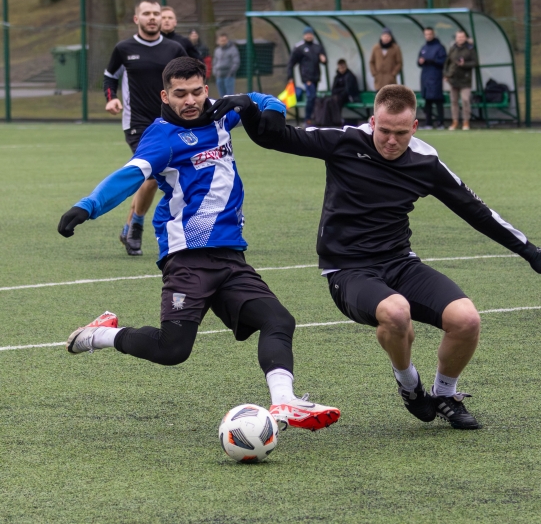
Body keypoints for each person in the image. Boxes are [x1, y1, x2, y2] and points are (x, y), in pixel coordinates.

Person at [206, 84, 541, 430]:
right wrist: (250, 109)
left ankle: (445, 396)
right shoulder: (345, 141)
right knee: (396, 312)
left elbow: (474, 209)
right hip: (347, 271)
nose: (391, 140)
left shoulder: (425, 161)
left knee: (467, 320)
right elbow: (277, 137)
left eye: (401, 132)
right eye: (384, 131)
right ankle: (409, 385)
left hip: (400, 263)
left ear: (414, 126)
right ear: (372, 122)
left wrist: (529, 250)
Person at [59, 57, 340, 433]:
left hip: (230, 255)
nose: (189, 101)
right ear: (166, 95)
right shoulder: (161, 137)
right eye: (180, 94)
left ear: (206, 89)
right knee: (172, 350)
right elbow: (130, 176)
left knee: (278, 320)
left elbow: (266, 99)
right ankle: (98, 335)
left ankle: (285, 402)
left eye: (196, 92)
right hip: (187, 257)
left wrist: (259, 105)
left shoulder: (222, 116)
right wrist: (88, 206)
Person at [103, 0, 187, 256]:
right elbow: (109, 76)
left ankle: (129, 226)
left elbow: (190, 78)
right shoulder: (124, 48)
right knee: (151, 174)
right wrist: (111, 98)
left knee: (167, 177)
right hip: (137, 123)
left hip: (170, 121)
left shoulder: (174, 48)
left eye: (156, 14)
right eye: (146, 14)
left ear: (162, 19)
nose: (152, 18)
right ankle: (137, 226)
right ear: (136, 19)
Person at [287, 26, 327, 126]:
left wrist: (324, 60)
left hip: (316, 77)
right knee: (311, 96)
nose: (309, 36)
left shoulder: (318, 46)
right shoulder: (299, 47)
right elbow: (291, 63)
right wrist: (289, 76)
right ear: (304, 35)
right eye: (307, 34)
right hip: (307, 77)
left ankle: (313, 117)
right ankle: (307, 119)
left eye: (310, 34)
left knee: (313, 97)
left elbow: (324, 61)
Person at [443, 30, 478, 131]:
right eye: (458, 37)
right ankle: (455, 121)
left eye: (462, 37)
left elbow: (475, 62)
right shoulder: (453, 48)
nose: (460, 39)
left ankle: (466, 121)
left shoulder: (470, 48)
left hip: (465, 79)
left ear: (466, 37)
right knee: (453, 101)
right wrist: (446, 74)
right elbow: (447, 62)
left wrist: (464, 64)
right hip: (453, 78)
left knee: (465, 100)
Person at [417, 26, 447, 129]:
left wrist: (431, 60)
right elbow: (419, 61)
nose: (428, 36)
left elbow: (442, 61)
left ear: (433, 34)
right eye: (426, 34)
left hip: (435, 77)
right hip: (425, 77)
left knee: (438, 100)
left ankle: (440, 123)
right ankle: (428, 123)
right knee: (428, 101)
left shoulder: (439, 47)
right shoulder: (424, 47)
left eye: (430, 34)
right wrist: (420, 61)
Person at [212, 32, 240, 97]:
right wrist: (215, 72)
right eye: (221, 40)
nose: (223, 42)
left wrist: (230, 73)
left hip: (228, 76)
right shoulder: (217, 50)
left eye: (224, 40)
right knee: (221, 96)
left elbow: (236, 62)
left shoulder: (233, 49)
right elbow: (215, 62)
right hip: (219, 76)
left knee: (229, 96)